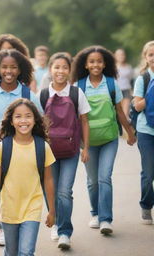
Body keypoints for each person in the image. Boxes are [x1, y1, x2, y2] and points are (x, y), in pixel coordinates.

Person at [0, 49, 43, 246]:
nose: (9, 71)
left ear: (20, 69)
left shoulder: (27, 94)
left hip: (20, 147)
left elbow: (40, 122)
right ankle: (2, 228)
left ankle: (21, 221)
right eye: (4, 67)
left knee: (16, 187)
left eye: (13, 67)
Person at [71, 45, 136, 235]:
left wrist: (129, 132)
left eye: (99, 61)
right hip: (87, 142)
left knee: (104, 177)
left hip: (109, 138)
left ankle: (106, 219)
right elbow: (74, 116)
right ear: (85, 64)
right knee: (92, 181)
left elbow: (119, 111)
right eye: (92, 61)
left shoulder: (111, 83)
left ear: (105, 63)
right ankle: (95, 213)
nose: (96, 64)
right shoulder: (79, 86)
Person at [0, 98, 55, 256]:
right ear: (11, 121)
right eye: (18, 117)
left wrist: (52, 210)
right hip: (9, 209)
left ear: (35, 120)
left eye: (28, 116)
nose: (23, 121)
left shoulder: (42, 147)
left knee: (26, 252)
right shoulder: (3, 147)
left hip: (33, 207)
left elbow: (49, 180)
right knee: (11, 252)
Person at [39, 52, 90, 250]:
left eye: (64, 67)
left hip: (71, 150)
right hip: (48, 151)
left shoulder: (76, 93)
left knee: (64, 191)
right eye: (57, 67)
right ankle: (56, 219)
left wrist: (86, 147)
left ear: (70, 71)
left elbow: (84, 121)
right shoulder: (43, 95)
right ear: (50, 70)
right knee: (49, 190)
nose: (60, 71)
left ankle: (64, 232)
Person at [133, 41, 154, 225]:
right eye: (151, 55)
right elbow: (137, 105)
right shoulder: (143, 79)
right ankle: (146, 206)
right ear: (146, 58)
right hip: (146, 130)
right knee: (148, 174)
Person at [114, 48, 134, 120]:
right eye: (119, 55)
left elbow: (131, 79)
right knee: (119, 111)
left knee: (126, 111)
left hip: (126, 90)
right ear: (115, 56)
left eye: (122, 54)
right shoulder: (113, 67)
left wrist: (132, 90)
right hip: (117, 91)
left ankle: (125, 129)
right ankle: (120, 129)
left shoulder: (129, 67)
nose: (121, 56)